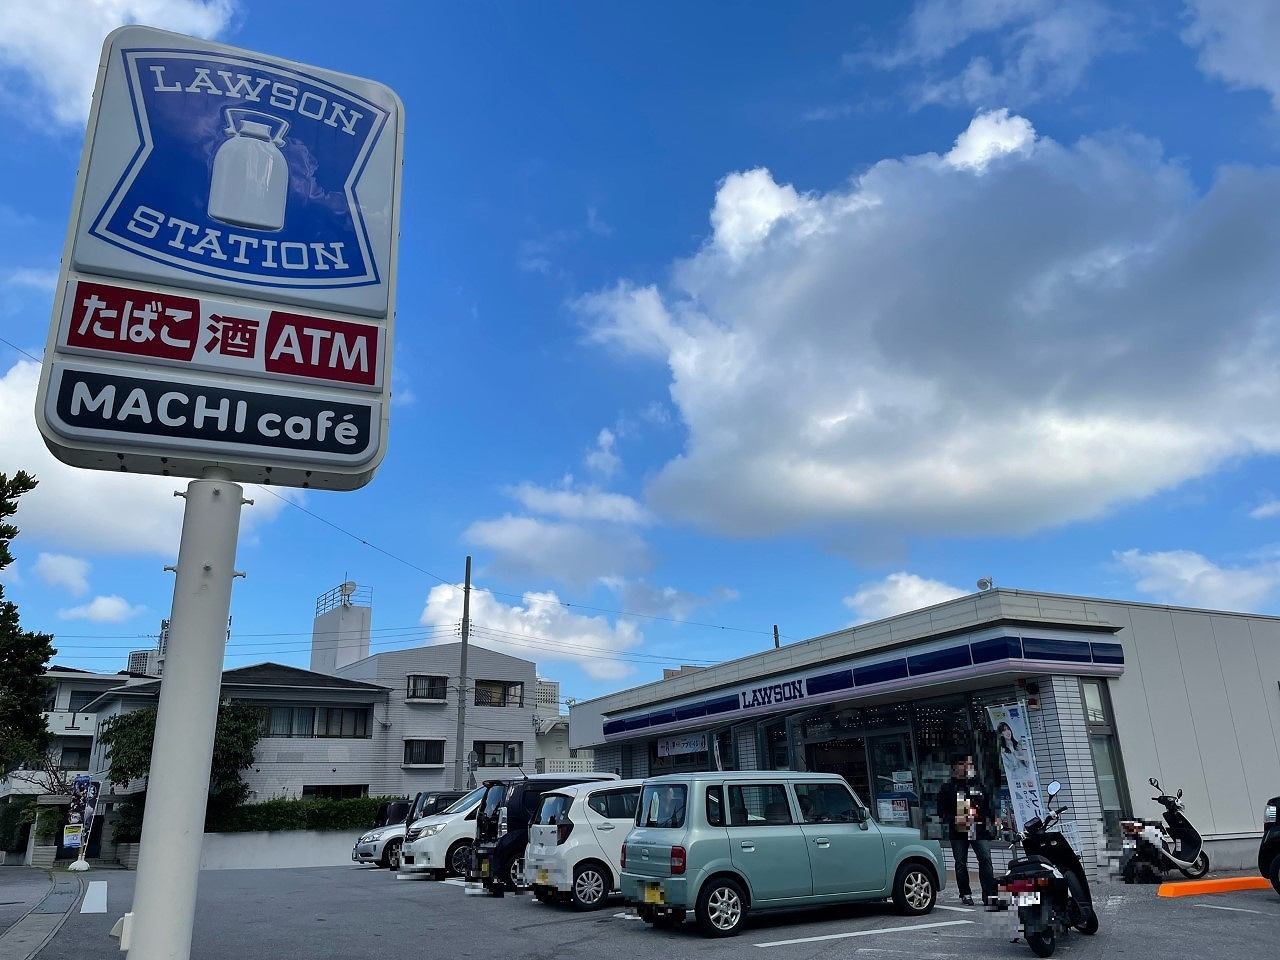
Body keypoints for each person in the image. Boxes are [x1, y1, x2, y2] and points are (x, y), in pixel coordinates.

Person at [935, 754, 996, 905]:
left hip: (978, 828)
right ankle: (965, 893)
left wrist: (991, 819)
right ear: (955, 767)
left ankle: (989, 893)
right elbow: (941, 811)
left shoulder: (978, 785)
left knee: (985, 859)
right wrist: (953, 819)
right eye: (963, 764)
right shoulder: (947, 788)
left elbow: (987, 806)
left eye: (969, 764)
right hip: (958, 831)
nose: (967, 767)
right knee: (961, 863)